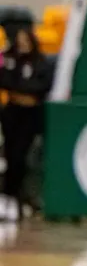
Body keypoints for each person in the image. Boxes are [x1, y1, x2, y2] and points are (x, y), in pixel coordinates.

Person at [0, 28, 50, 222]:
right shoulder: (10, 60)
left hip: (30, 115)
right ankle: (7, 198)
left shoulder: (41, 63)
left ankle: (18, 198)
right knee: (10, 155)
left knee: (21, 156)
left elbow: (42, 86)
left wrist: (23, 90)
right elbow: (5, 80)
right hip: (12, 113)